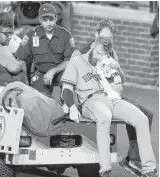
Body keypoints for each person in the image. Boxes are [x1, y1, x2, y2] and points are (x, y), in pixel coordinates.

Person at [60, 36, 157, 177]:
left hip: (111, 98)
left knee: (142, 119)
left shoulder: (105, 61)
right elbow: (67, 88)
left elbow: (119, 85)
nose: (100, 57)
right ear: (93, 45)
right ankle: (105, 170)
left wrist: (115, 68)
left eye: (104, 54)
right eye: (98, 53)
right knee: (105, 116)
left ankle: (149, 169)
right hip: (91, 101)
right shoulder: (76, 62)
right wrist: (71, 106)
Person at [15, 3, 75, 98]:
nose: (48, 23)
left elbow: (70, 61)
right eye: (45, 20)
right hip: (41, 74)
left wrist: (53, 71)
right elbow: (21, 59)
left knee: (65, 90)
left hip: (60, 75)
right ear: (40, 20)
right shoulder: (31, 35)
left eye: (51, 19)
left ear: (56, 18)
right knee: (37, 100)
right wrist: (25, 81)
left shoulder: (66, 36)